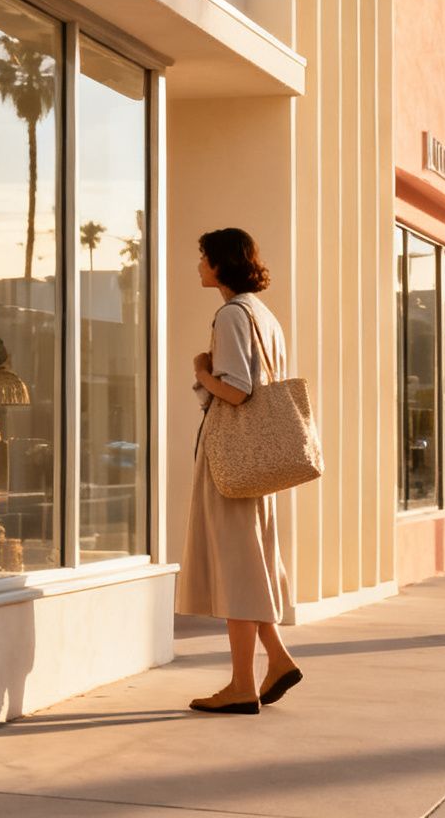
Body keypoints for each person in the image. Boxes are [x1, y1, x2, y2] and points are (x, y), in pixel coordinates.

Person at [178, 227, 303, 715]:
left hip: (232, 461)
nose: (199, 265)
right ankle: (277, 661)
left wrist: (201, 372)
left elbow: (237, 390)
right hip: (258, 462)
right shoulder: (263, 315)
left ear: (221, 263)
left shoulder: (231, 314)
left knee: (237, 569)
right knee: (251, 565)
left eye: (203, 256)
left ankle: (239, 685)